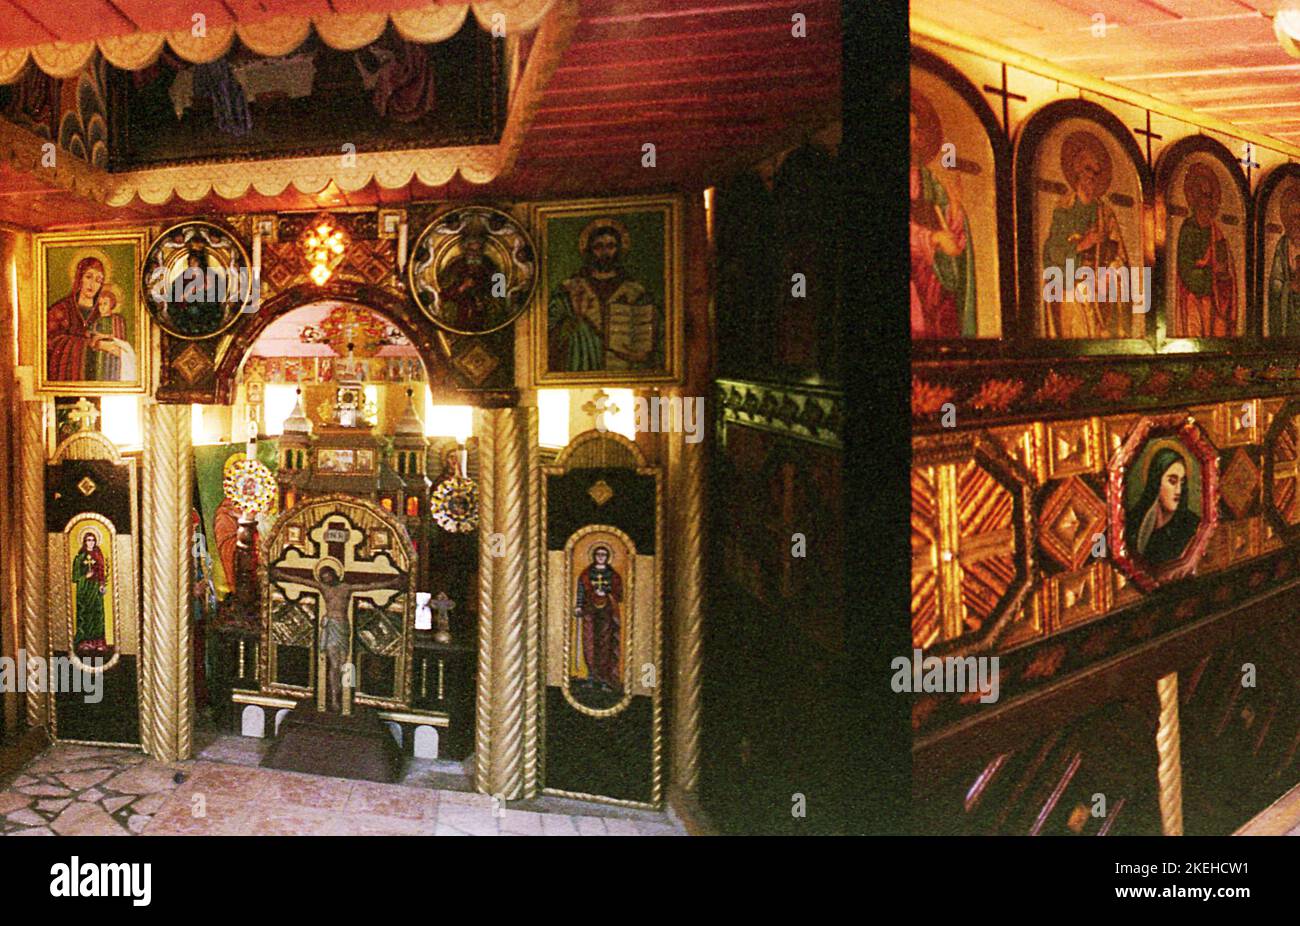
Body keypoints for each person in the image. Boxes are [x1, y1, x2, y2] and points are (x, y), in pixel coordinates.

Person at [274, 560, 401, 713]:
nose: (326, 579)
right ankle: (335, 698)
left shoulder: (345, 588)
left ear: (334, 575)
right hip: (332, 627)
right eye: (323, 577)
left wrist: (392, 581)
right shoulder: (323, 588)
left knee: (345, 663)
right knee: (334, 665)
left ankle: (347, 697)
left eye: (328, 576)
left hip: (343, 627)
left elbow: (369, 586)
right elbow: (301, 580)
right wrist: (281, 574)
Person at [1042, 130, 1132, 338]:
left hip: (1100, 287)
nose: (1091, 176)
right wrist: (1082, 244)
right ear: (1076, 171)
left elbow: (1120, 256)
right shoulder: (1064, 209)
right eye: (1087, 169)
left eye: (1096, 172)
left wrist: (1110, 269)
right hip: (1070, 285)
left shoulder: (1104, 212)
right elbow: (1052, 251)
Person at [547, 220, 659, 372]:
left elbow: (650, 334)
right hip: (581, 365)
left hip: (625, 369)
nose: (605, 252)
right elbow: (550, 326)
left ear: (619, 249)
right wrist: (574, 325)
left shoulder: (635, 292)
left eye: (610, 246)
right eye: (599, 246)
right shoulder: (570, 288)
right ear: (589, 250)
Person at [910, 88, 976, 338]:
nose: (914, 137)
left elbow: (949, 228)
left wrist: (956, 208)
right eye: (909, 130)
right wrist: (933, 239)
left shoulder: (929, 180)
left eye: (916, 130)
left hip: (935, 279)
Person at [1173, 163, 1236, 338]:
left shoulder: (1216, 231)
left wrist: (1222, 275)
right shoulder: (1188, 229)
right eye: (1202, 195)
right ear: (1193, 197)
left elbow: (1225, 267)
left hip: (1214, 297)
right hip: (1193, 297)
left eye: (1210, 196)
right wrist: (1210, 274)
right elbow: (1185, 269)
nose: (1207, 201)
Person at [47, 256, 123, 381]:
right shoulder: (61, 309)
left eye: (98, 280)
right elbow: (50, 343)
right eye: (88, 277)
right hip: (68, 382)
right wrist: (93, 344)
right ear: (79, 278)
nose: (92, 284)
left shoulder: (103, 313)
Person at [1125, 447, 1201, 566]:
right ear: (1156, 482)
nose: (1179, 491)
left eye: (1182, 483)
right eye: (1172, 481)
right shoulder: (1134, 523)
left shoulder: (1192, 525)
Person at [573, 545, 623, 695]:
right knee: (589, 642)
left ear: (607, 557)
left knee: (605, 644)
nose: (601, 557)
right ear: (594, 556)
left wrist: (606, 592)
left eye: (603, 554)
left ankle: (604, 679)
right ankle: (591, 676)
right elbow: (581, 591)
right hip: (590, 611)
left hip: (606, 612)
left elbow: (619, 594)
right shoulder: (586, 574)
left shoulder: (613, 575)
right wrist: (579, 606)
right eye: (598, 554)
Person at [1268, 188, 1300, 336]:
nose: (1298, 223)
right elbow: (1275, 280)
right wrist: (1289, 287)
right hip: (1289, 308)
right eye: (1294, 217)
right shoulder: (1283, 246)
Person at [72, 531, 109, 657]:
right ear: (84, 541)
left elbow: (102, 571)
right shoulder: (79, 557)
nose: (91, 542)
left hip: (95, 589)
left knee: (97, 614)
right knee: (86, 613)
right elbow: (75, 576)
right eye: (88, 540)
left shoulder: (98, 556)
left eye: (93, 540)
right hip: (84, 589)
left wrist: (102, 585)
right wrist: (84, 576)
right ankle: (85, 641)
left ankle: (98, 642)